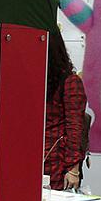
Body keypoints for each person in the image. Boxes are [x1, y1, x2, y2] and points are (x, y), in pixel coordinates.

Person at [43, 31, 88, 190]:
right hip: (32, 161)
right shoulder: (35, 81)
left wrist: (73, 169)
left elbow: (75, 127)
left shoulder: (70, 81)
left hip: (57, 165)